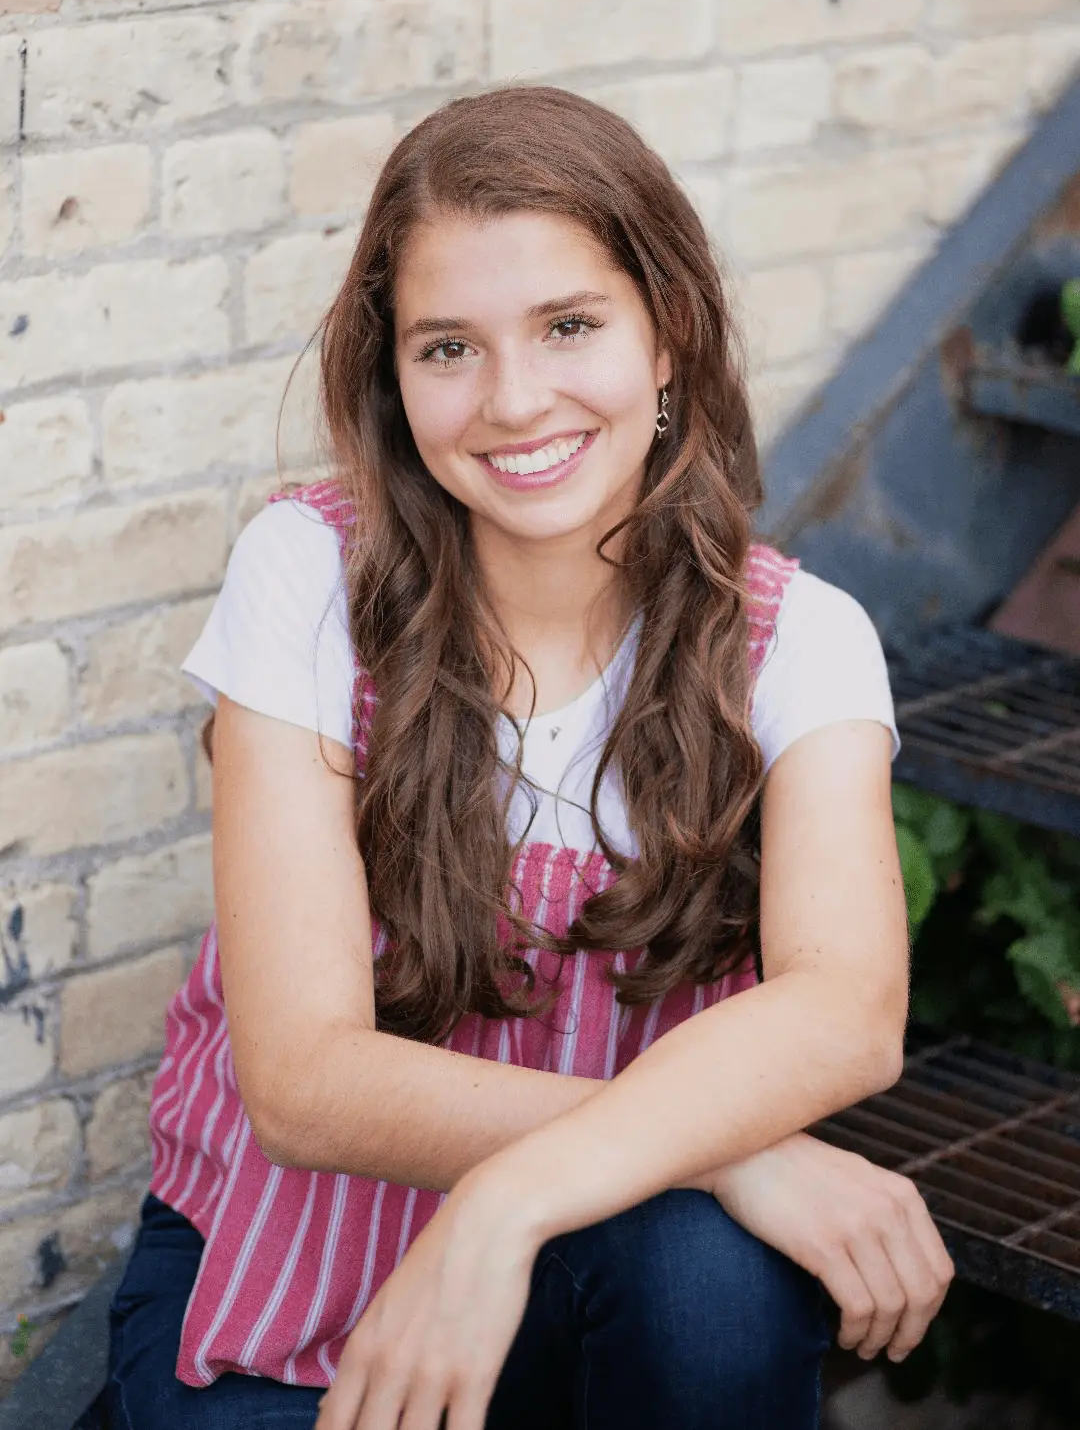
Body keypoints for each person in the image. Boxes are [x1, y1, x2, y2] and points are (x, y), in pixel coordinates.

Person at [106, 84, 954, 1430]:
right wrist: (728, 1158)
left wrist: (506, 1201)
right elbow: (306, 1082)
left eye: (569, 325)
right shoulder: (309, 576)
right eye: (449, 348)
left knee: (712, 1290)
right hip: (291, 1263)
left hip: (592, 1253)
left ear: (668, 333)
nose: (513, 401)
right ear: (393, 372)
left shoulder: (800, 642)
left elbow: (846, 1010)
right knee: (716, 1215)